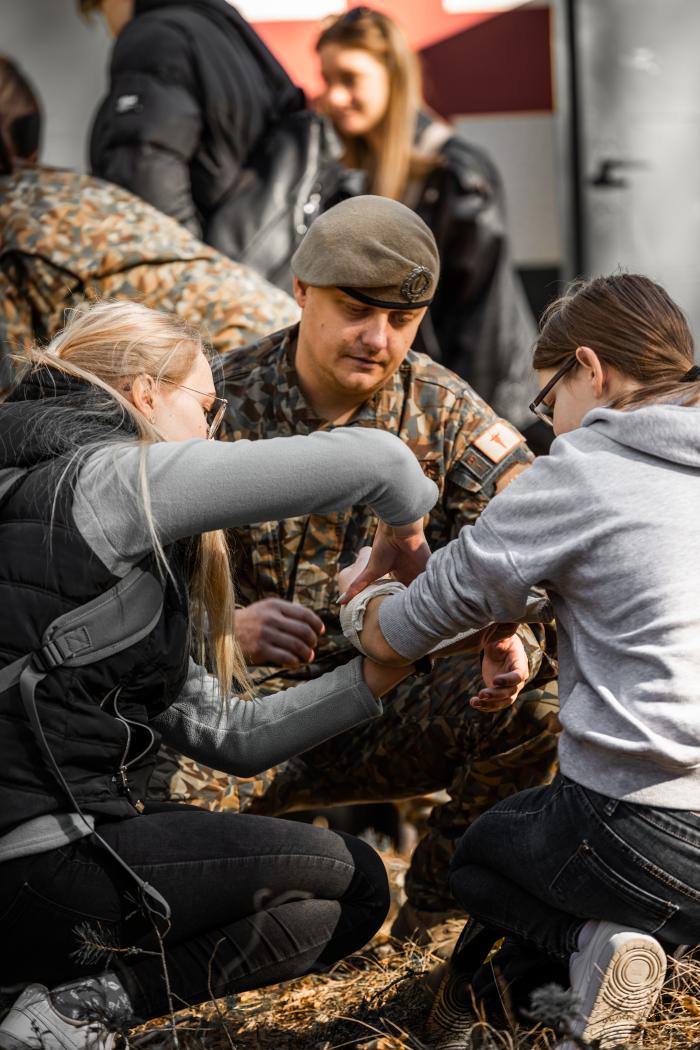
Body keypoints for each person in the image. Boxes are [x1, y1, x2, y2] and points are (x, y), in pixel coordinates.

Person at [0, 297, 458, 1047]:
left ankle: (41, 997)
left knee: (324, 894)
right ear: (144, 393)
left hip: (30, 869)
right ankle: (82, 1013)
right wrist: (405, 535)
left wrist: (379, 674)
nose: (215, 433)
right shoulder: (106, 482)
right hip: (47, 864)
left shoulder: (29, 488)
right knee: (359, 882)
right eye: (205, 408)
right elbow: (379, 461)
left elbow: (227, 733)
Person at [152, 194, 559, 949]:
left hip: (384, 710)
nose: (379, 339)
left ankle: (433, 926)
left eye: (402, 320)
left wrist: (516, 638)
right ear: (301, 290)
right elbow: (116, 574)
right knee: (127, 807)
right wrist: (217, 627)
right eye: (355, 309)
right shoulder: (215, 403)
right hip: (231, 718)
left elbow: (542, 540)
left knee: (540, 709)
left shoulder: (444, 413)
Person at [340, 273, 700, 1048]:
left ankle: (595, 948)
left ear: (590, 369)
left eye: (548, 400)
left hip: (647, 829)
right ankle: (645, 955)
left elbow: (405, 629)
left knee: (487, 855)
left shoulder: (582, 469)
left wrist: (358, 601)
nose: (550, 428)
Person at [0, 55, 298, 401]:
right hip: (284, 342)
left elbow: (11, 407)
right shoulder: (68, 187)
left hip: (227, 376)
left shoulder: (9, 217)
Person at [315, 6, 538, 432]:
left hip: (478, 406)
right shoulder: (347, 171)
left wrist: (464, 424)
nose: (333, 97)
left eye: (350, 79)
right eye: (327, 79)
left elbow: (482, 318)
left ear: (393, 77)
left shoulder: (458, 176)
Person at [83, 0, 304, 240]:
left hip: (207, 260)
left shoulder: (155, 35)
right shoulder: (225, 27)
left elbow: (144, 169)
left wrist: (182, 266)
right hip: (260, 251)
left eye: (98, 10)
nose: (108, 28)